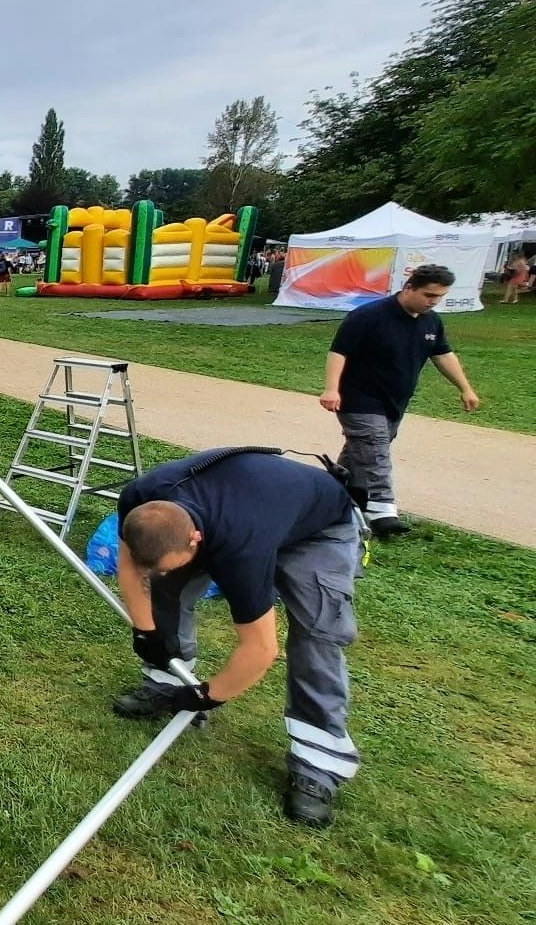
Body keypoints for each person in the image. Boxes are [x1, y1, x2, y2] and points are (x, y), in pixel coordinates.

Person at [111, 447, 364, 827]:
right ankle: (165, 682)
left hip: (318, 529)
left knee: (316, 635)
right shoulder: (142, 499)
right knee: (167, 589)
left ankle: (318, 765)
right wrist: (146, 632)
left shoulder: (240, 547)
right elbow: (133, 565)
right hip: (253, 505)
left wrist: (208, 696)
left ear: (196, 539)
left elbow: (261, 648)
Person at [319, 264, 480, 538]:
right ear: (409, 288)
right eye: (429, 295)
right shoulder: (368, 316)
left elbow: (443, 355)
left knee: (363, 451)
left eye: (440, 296)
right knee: (374, 447)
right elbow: (339, 352)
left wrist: (465, 387)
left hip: (394, 400)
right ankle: (383, 512)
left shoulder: (431, 322)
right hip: (358, 397)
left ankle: (330, 492)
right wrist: (331, 389)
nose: (434, 301)